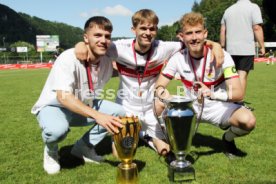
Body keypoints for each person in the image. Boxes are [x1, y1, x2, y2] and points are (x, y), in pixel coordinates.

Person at [75, 9, 224, 157]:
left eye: (152, 29)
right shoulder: (118, 48)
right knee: (119, 154)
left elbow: (192, 40)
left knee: (166, 149)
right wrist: (81, 44)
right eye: (143, 28)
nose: (147, 32)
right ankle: (139, 133)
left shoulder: (164, 47)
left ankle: (144, 134)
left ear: (156, 30)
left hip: (151, 108)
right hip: (126, 107)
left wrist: (215, 45)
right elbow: (95, 44)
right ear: (133, 30)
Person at [154, 12, 256, 159]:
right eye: (189, 33)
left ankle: (227, 139)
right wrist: (167, 97)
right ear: (182, 37)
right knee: (158, 104)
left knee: (248, 120)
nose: (194, 37)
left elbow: (239, 93)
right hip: (190, 107)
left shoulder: (223, 56)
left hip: (219, 107)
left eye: (198, 32)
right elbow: (159, 87)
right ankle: (172, 144)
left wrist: (212, 94)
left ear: (205, 34)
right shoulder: (177, 58)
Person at [31, 16, 125, 175]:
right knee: (56, 131)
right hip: (54, 106)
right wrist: (98, 116)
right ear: (85, 37)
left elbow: (132, 56)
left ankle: (83, 148)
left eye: (107, 36)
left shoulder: (107, 61)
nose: (103, 40)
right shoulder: (69, 57)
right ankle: (51, 150)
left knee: (119, 113)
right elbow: (63, 97)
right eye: (97, 35)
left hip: (82, 105)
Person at [220, 0, 265, 110]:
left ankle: (231, 100)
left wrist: (222, 46)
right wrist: (262, 46)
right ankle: (239, 103)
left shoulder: (228, 10)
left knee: (231, 76)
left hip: (230, 49)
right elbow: (257, 28)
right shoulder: (253, 7)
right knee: (242, 75)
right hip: (246, 48)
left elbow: (222, 30)